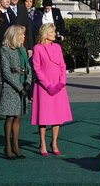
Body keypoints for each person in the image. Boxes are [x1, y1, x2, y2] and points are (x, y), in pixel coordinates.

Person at [31, 24, 72, 156]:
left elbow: (62, 65)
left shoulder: (58, 47)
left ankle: (54, 142)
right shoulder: (37, 48)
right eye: (52, 32)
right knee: (43, 116)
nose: (55, 34)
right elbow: (36, 68)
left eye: (54, 31)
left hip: (58, 86)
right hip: (44, 87)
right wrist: (47, 85)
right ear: (45, 33)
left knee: (57, 116)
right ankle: (42, 142)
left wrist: (61, 82)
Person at [0, 24, 31, 160]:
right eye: (21, 34)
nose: (24, 36)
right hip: (11, 87)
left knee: (18, 116)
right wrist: (19, 87)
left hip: (22, 83)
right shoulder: (5, 49)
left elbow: (28, 67)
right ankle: (8, 146)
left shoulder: (22, 49)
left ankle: (16, 146)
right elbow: (6, 72)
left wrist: (28, 82)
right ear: (14, 36)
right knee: (10, 116)